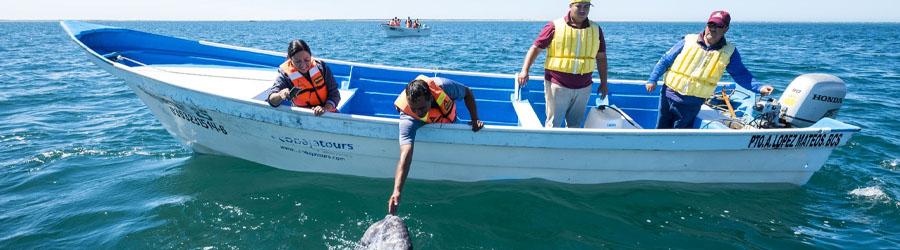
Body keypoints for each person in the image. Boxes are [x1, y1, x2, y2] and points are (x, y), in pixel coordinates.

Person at [645, 10, 774, 129]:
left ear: (726, 29)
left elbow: (741, 74)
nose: (712, 29)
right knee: (660, 129)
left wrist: (759, 87)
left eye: (718, 26)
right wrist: (653, 79)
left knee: (678, 133)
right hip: (668, 95)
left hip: (692, 103)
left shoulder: (729, 52)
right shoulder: (688, 40)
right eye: (711, 24)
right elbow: (665, 60)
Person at [387, 75, 484, 215]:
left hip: (448, 120)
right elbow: (405, 155)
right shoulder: (408, 119)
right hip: (432, 120)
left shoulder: (444, 86)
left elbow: (467, 92)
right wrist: (397, 191)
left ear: (431, 98)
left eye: (421, 108)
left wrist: (475, 119)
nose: (419, 113)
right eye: (414, 109)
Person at [517, 0, 608, 128]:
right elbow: (536, 48)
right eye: (579, 6)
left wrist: (604, 83)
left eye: (586, 6)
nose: (583, 10)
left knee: (575, 126)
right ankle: (549, 147)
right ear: (570, 6)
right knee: (553, 125)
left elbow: (601, 58)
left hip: (584, 87)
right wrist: (525, 70)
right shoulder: (554, 26)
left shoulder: (596, 29)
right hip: (558, 85)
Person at [265, 39, 340, 116]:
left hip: (329, 113)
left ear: (311, 56)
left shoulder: (321, 67)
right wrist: (280, 95)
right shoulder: (285, 76)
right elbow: (271, 100)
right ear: (290, 59)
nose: (303, 65)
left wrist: (325, 109)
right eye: (297, 61)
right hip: (302, 116)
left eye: (307, 60)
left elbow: (335, 94)